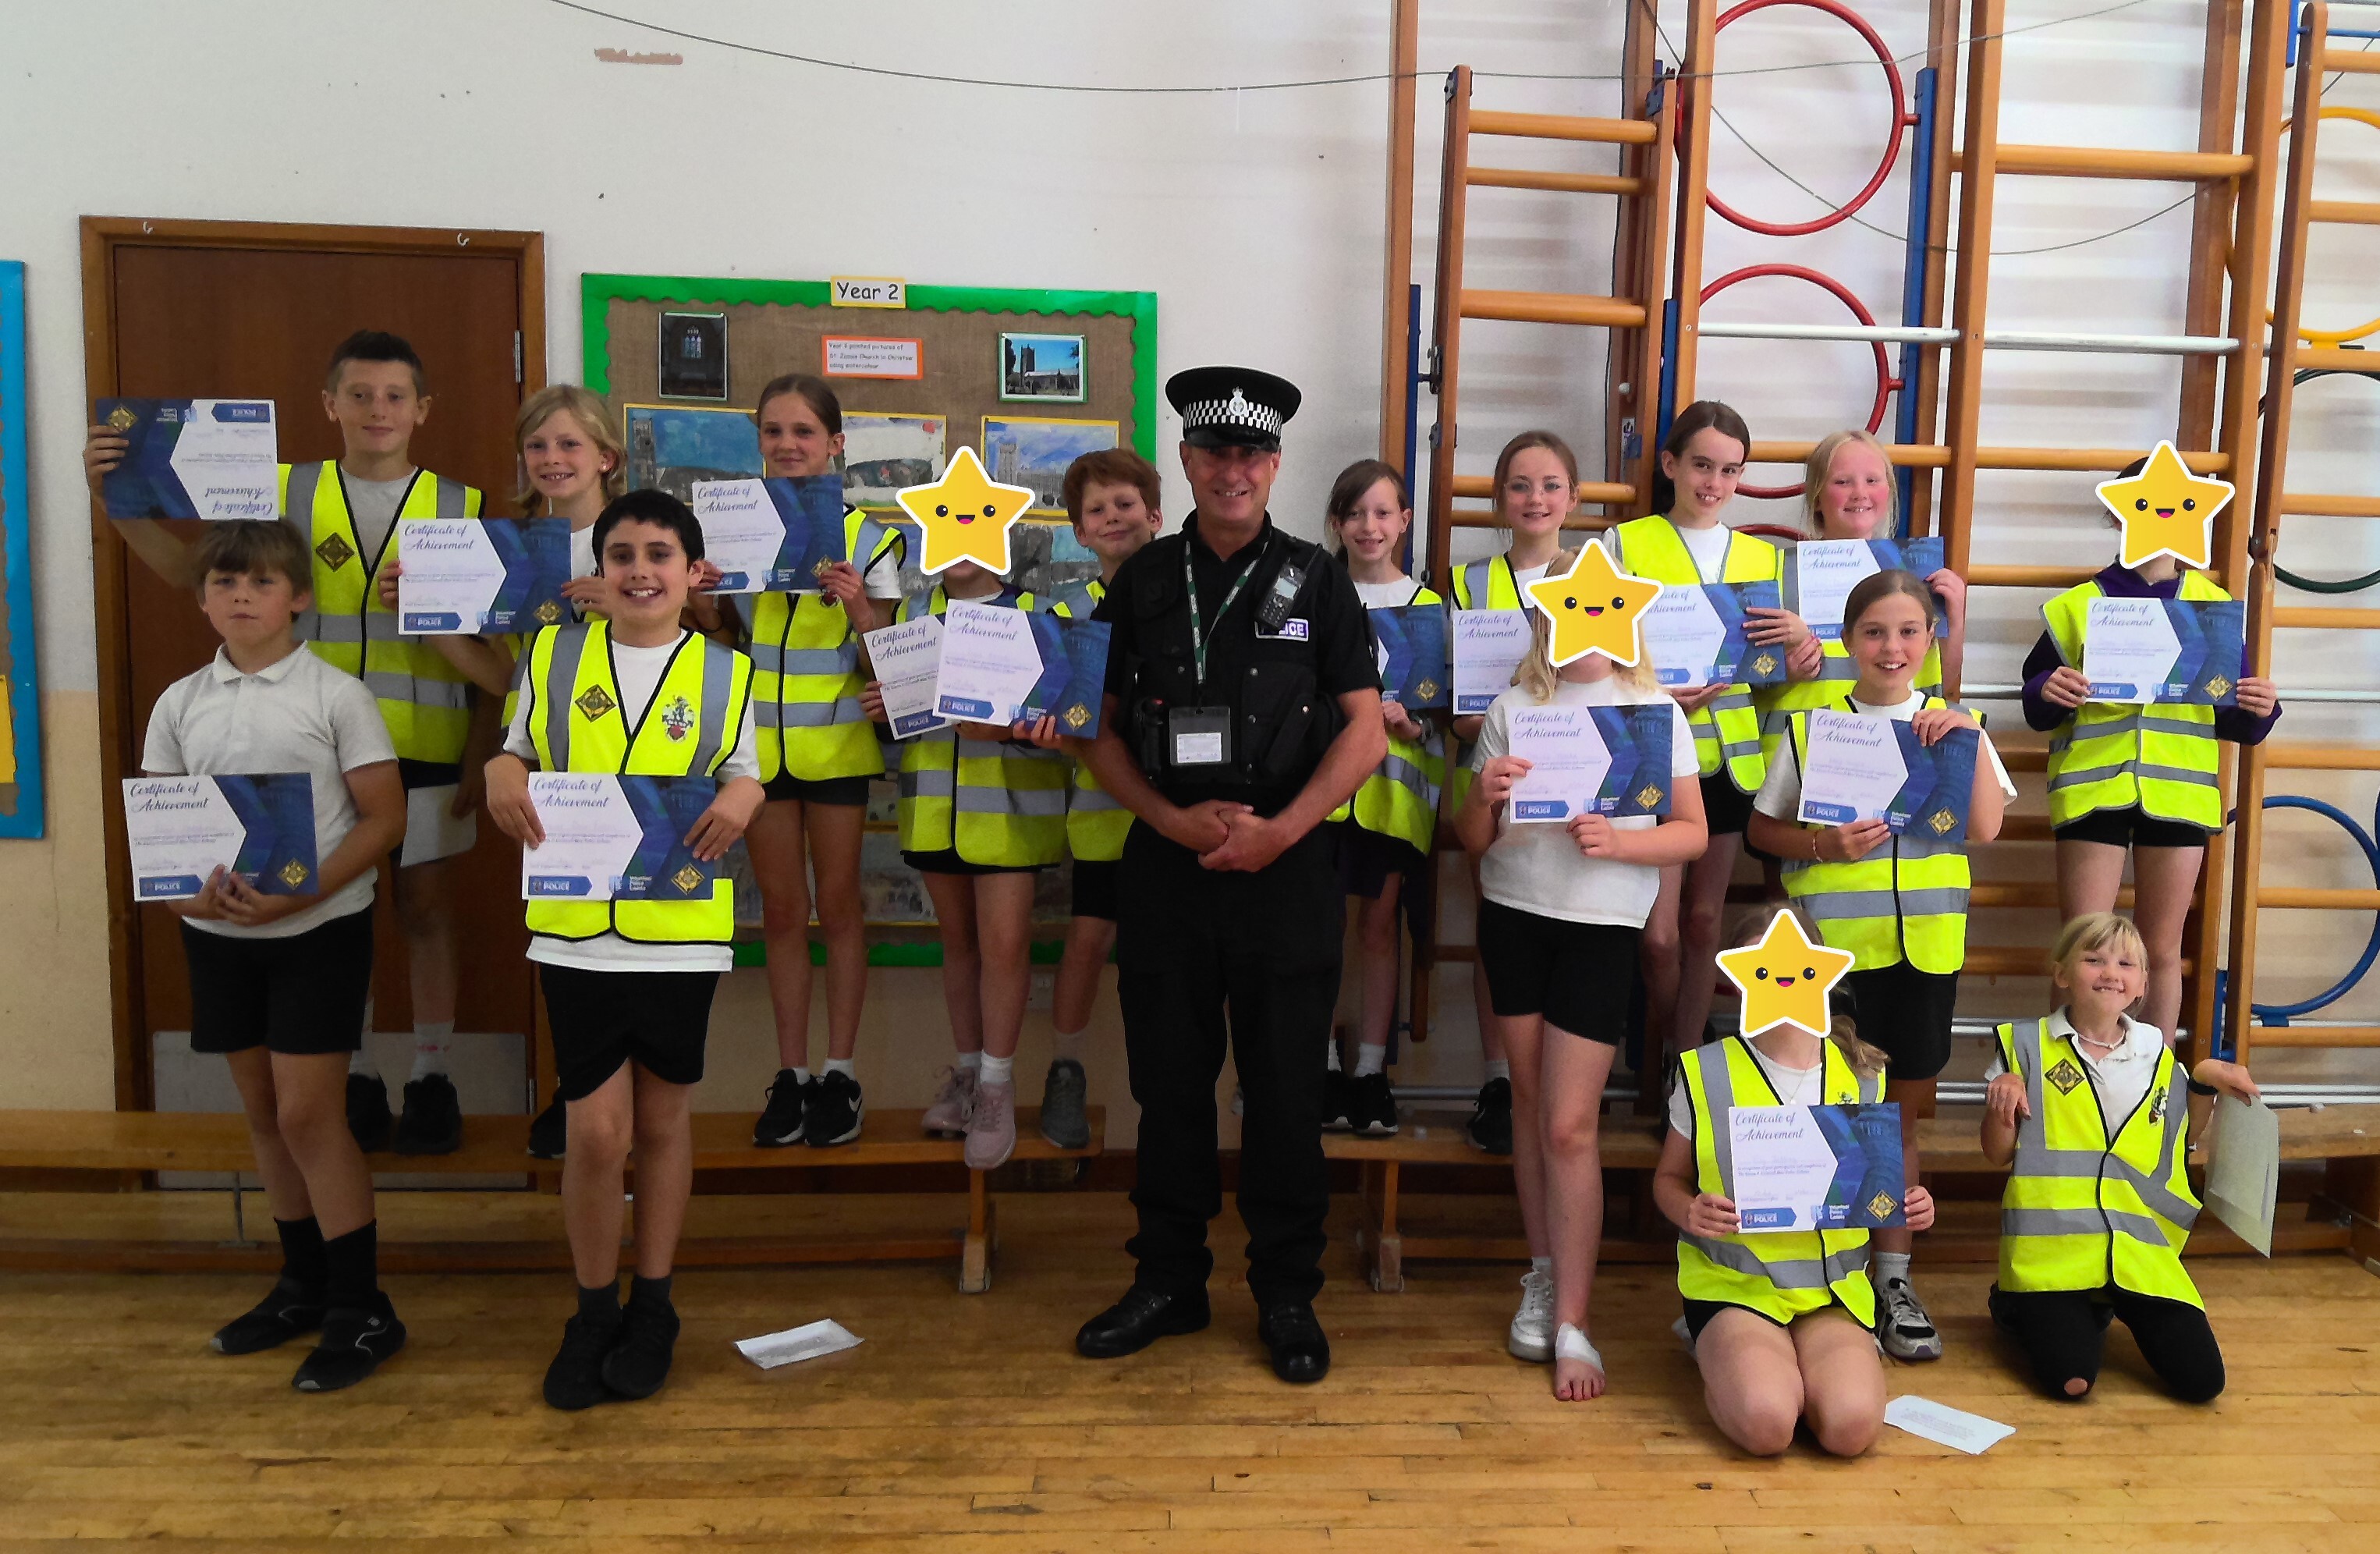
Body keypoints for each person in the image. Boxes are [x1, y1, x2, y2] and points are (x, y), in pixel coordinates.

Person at [90, 330, 491, 1158]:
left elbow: (503, 649)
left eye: (394, 396)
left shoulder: (465, 505)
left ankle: (432, 1075)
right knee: (336, 917)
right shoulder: (278, 488)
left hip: (427, 741)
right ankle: (356, 1073)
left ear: (421, 409)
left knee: (423, 911)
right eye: (359, 394)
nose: (376, 409)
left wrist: (484, 747)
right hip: (306, 748)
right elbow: (191, 570)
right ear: (328, 404)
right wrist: (118, 501)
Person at [1071, 366, 1385, 1385]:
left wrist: (1281, 831)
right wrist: (1168, 818)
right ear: (1186, 461)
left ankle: (1287, 1292)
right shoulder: (1140, 583)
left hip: (1284, 872)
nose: (1232, 470)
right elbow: (1094, 729)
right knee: (1168, 1091)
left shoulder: (1317, 579)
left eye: (1251, 454)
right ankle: (1168, 1280)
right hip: (1169, 869)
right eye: (1213, 453)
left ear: (1274, 465)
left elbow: (1365, 733)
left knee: (1286, 1094)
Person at [484, 489, 763, 1410]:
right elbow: (518, 749)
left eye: (659, 554)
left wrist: (745, 797)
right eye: (623, 554)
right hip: (576, 928)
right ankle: (592, 1310)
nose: (641, 570)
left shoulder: (728, 671)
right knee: (597, 1132)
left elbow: (744, 772)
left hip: (679, 930)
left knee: (663, 1124)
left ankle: (655, 1307)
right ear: (599, 569)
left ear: (693, 572)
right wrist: (499, 770)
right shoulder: (553, 655)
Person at [140, 520, 408, 1389]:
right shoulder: (181, 702)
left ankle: (363, 1306)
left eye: (260, 582)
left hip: (317, 932)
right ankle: (303, 1284)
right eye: (224, 582)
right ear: (202, 599)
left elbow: (384, 819)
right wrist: (185, 895)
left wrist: (302, 894)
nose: (241, 596)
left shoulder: (336, 695)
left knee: (307, 1115)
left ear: (298, 597)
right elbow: (165, 830)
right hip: (220, 937)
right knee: (263, 1113)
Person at [1745, 569, 2014, 1362]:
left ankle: (1891, 1280)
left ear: (1930, 641)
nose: (1891, 647)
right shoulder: (1811, 728)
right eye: (1873, 631)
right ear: (1847, 640)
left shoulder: (1959, 725)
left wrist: (1965, 737)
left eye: (1907, 631)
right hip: (1824, 961)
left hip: (1922, 955)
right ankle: (1797, 1279)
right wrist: (1822, 844)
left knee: (1896, 1124)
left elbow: (1986, 827)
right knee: (1813, 1109)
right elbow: (1763, 832)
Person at [374, 383, 636, 1160]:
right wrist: (425, 615)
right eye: (538, 445)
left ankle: (617, 1095)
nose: (553, 458)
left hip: (634, 763)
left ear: (605, 457)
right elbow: (503, 677)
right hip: (550, 767)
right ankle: (573, 1090)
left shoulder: (640, 539)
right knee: (561, 934)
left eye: (569, 444)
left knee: (628, 937)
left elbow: (697, 641)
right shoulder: (510, 548)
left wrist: (623, 604)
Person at [1455, 587, 1706, 1397]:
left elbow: (1692, 832)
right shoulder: (1513, 707)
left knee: (1569, 1126)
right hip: (1514, 918)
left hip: (1600, 928)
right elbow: (1472, 840)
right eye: (1566, 611)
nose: (1584, 626)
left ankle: (1574, 1321)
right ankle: (1543, 1276)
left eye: (1600, 609)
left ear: (1625, 616)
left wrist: (1619, 846)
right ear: (1545, 620)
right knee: (1533, 1110)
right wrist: (1482, 797)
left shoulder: (1652, 709)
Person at [1654, 921, 1935, 1456]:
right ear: (1740, 978)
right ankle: (1724, 1353)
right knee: (1766, 1424)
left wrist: (1910, 1204)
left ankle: (1791, 1371)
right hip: (1736, 1288)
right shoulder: (1705, 1071)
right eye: (1764, 967)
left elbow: (1878, 1189)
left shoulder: (1864, 1073)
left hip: (1832, 1293)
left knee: (1851, 1430)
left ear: (1822, 973)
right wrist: (1689, 1210)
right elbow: (1667, 1180)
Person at [2024, 454, 2280, 1038]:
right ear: (2118, 515)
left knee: (2160, 950)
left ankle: (2153, 1082)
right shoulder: (2077, 604)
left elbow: (2238, 720)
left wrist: (2262, 706)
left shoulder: (2211, 608)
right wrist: (2048, 688)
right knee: (2082, 945)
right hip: (2093, 793)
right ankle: (2065, 1071)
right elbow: (2037, 705)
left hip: (2180, 797)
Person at [1608, 401, 1811, 1089]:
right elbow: (1596, 649)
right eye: (1701, 465)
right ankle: (1675, 1044)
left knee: (1702, 922)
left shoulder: (1762, 559)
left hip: (1729, 757)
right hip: (1651, 753)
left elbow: (1775, 676)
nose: (1714, 483)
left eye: (1729, 470)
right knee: (1657, 934)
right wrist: (1651, 688)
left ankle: (1684, 1066)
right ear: (1670, 464)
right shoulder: (1623, 544)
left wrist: (1800, 647)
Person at [1982, 912, 2258, 1403]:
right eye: (2094, 960)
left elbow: (2180, 1138)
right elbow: (1996, 1153)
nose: (2111, 972)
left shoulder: (2158, 1054)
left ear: (2142, 985)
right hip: (2054, 1258)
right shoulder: (2024, 1046)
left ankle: (2103, 1303)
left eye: (2126, 964)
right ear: (2062, 974)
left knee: (2203, 1384)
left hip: (2139, 1252)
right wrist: (2002, 1104)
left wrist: (2203, 1080)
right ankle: (2016, 1304)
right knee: (2071, 1382)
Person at [740, 375, 908, 1151]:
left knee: (837, 908)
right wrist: (703, 594)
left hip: (837, 747)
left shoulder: (871, 539)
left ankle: (841, 1073)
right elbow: (715, 637)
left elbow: (890, 667)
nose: (787, 445)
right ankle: (791, 1073)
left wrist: (861, 608)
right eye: (773, 431)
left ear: (835, 444)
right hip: (756, 752)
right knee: (780, 913)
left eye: (803, 431)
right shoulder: (734, 527)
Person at [870, 561, 1070, 1171]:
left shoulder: (1039, 615)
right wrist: (887, 709)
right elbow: (905, 720)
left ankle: (996, 1088)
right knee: (958, 948)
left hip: (1011, 812)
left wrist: (1007, 730)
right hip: (933, 808)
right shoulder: (912, 615)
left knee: (1004, 948)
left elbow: (1064, 719)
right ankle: (966, 1076)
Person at [1446, 431, 1580, 1153]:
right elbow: (1451, 703)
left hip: (1580, 780)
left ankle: (1565, 1083)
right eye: (1521, 485)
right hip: (1492, 773)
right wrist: (1487, 715)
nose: (1535, 498)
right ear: (1500, 498)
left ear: (1573, 497)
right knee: (1496, 928)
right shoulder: (1467, 583)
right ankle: (1500, 1079)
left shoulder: (1601, 573)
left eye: (1550, 484)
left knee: (1575, 928)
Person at [1045, 449, 1165, 1149]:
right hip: (1100, 815)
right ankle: (1065, 1070)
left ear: (1155, 515)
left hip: (1179, 818)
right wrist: (1045, 729)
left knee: (1173, 956)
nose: (1113, 517)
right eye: (1097, 510)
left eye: (1125, 504)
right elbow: (1054, 715)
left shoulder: (1186, 603)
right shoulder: (1064, 614)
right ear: (1079, 532)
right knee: (1088, 942)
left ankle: (1173, 1084)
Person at [1321, 459, 1443, 1137]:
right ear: (1336, 523)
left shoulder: (1429, 610)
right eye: (1354, 513)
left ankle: (1369, 1072)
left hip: (1391, 805)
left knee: (1377, 929)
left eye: (1381, 512)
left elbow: (1447, 717)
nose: (1368, 526)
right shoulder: (1314, 596)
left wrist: (1412, 723)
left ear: (1403, 521)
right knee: (1318, 931)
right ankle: (1317, 1067)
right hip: (1319, 799)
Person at [1757, 428, 1968, 763]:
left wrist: (1955, 617)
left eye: (1872, 480)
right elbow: (1750, 679)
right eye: (1843, 482)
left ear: (1888, 491)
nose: (1860, 493)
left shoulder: (1920, 576)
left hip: (1897, 747)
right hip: (1801, 752)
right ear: (1817, 496)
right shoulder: (1777, 572)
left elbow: (1944, 681)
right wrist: (1783, 671)